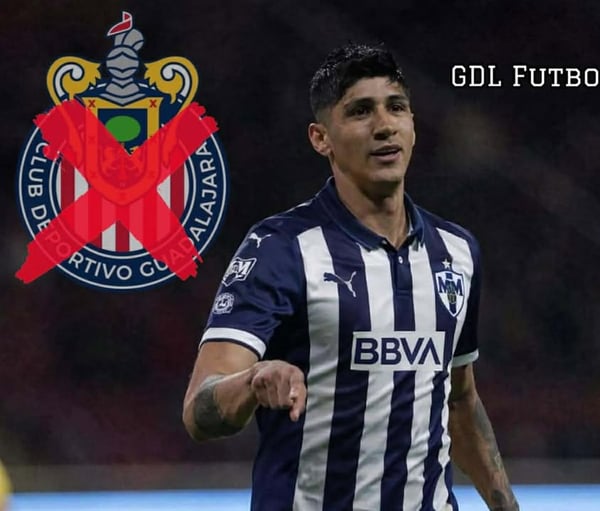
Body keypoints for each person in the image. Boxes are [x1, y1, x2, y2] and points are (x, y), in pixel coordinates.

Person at [183, 43, 519, 511]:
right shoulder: (281, 248)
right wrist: (253, 380)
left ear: (412, 124)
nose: (384, 126)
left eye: (396, 107)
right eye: (360, 111)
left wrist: (505, 505)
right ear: (321, 138)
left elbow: (459, 400)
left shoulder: (457, 252)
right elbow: (198, 412)